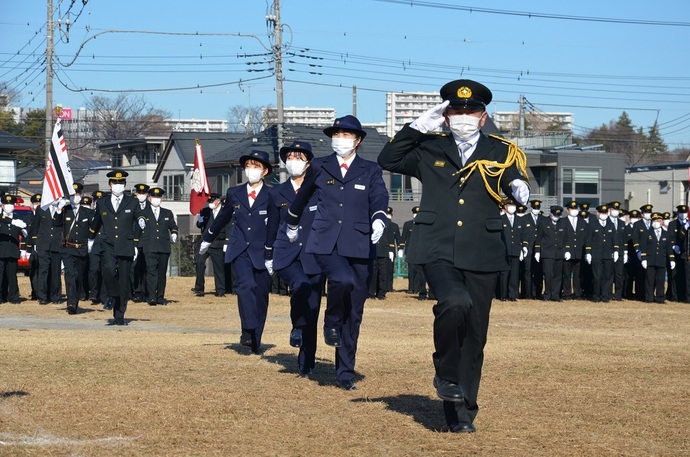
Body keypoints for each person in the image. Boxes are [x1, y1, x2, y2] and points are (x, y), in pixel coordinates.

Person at [378, 79, 529, 433]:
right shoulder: (429, 148)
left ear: (483, 116)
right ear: (446, 116)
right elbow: (389, 158)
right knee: (454, 302)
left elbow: (512, 176)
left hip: (483, 249)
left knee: (475, 336)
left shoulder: (500, 149)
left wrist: (518, 186)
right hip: (437, 247)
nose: (463, 116)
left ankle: (463, 411)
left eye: (470, 111)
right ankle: (446, 375)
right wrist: (416, 127)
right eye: (456, 111)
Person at [287, 115, 389, 390]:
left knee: (354, 311)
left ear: (357, 140)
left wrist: (379, 218)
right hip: (325, 242)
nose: (340, 139)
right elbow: (303, 195)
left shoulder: (370, 169)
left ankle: (345, 372)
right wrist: (292, 223)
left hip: (359, 242)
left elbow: (379, 197)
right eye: (336, 134)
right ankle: (330, 322)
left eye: (346, 135)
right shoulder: (320, 165)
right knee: (341, 279)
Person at [200, 150, 273, 355]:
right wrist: (208, 238)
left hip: (264, 251)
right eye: (248, 166)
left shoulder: (272, 194)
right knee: (245, 286)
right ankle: (247, 330)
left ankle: (256, 339)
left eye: (256, 166)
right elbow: (223, 217)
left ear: (265, 171)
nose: (251, 170)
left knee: (260, 296)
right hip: (240, 248)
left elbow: (280, 222)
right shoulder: (234, 192)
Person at [265, 140, 325, 376]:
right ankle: (296, 326)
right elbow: (272, 225)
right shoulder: (277, 192)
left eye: (299, 158)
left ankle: (307, 360)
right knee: (300, 285)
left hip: (314, 254)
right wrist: (268, 253)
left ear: (308, 162)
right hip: (286, 254)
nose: (294, 161)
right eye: (290, 157)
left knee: (313, 308)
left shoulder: (319, 190)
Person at [88, 169, 144, 326]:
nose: (118, 185)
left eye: (121, 183)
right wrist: (90, 239)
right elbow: (96, 221)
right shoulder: (103, 202)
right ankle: (111, 296)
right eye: (115, 183)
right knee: (108, 270)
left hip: (125, 244)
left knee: (124, 281)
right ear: (110, 185)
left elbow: (139, 214)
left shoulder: (132, 202)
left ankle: (119, 316)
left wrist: (141, 221)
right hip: (108, 244)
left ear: (125, 185)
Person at [52, 183, 93, 314]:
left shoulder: (88, 212)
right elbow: (55, 223)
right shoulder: (65, 210)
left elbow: (93, 228)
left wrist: (91, 241)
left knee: (79, 277)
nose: (76, 196)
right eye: (73, 194)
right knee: (70, 274)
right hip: (68, 248)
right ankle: (70, 302)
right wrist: (59, 208)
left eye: (78, 194)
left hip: (81, 249)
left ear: (81, 195)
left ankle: (74, 302)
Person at [139, 187, 178, 306]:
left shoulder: (167, 212)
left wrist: (174, 233)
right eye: (154, 197)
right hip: (149, 246)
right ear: (149, 198)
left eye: (159, 197)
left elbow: (173, 225)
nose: (157, 199)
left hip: (163, 246)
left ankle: (160, 296)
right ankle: (151, 296)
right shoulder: (143, 212)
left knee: (161, 273)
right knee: (151, 271)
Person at [28, 191, 64, 304]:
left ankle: (56, 296)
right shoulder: (41, 209)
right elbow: (35, 226)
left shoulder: (62, 210)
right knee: (43, 270)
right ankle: (42, 296)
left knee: (55, 271)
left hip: (56, 244)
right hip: (43, 244)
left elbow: (59, 224)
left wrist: (59, 210)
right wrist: (33, 243)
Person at [193, 193, 227, 297]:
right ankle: (199, 288)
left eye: (212, 201)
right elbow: (199, 225)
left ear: (218, 201)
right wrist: (200, 217)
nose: (210, 204)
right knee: (199, 263)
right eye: (209, 202)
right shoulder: (205, 211)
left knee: (219, 268)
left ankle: (220, 290)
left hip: (218, 242)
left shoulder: (225, 212)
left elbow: (227, 226)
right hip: (205, 243)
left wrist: (226, 241)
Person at [640, 212, 675, 303]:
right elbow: (643, 247)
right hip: (650, 260)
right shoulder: (647, 233)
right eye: (654, 220)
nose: (656, 222)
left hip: (661, 260)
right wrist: (643, 259)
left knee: (660, 280)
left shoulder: (666, 234)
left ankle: (660, 298)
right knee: (650, 281)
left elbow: (669, 248)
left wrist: (672, 260)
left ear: (662, 221)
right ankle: (649, 297)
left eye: (658, 220)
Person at [535, 206, 566, 302]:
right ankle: (547, 293)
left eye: (558, 215)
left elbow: (566, 238)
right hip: (547, 252)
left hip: (559, 252)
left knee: (558, 274)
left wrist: (567, 250)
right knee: (548, 274)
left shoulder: (562, 223)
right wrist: (537, 251)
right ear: (551, 213)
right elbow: (539, 238)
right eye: (555, 215)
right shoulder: (543, 223)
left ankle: (556, 295)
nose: (557, 217)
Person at [498, 199, 528, 301]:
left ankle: (513, 295)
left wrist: (523, 247)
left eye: (514, 205)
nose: (512, 207)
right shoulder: (501, 219)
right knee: (504, 274)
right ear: (505, 207)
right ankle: (503, 295)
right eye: (510, 205)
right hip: (504, 252)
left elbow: (523, 235)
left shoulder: (520, 220)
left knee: (514, 274)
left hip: (515, 250)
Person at [0, 195, 27, 303]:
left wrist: (24, 248)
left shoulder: (17, 218)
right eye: (6, 204)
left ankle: (13, 296)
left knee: (12, 276)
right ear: (2, 206)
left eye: (11, 204)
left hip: (13, 250)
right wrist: (12, 222)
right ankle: (1, 296)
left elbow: (25, 234)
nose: (9, 206)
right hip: (1, 250)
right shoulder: (2, 218)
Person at [131, 183, 150, 302]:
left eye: (144, 193)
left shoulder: (151, 206)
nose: (141, 195)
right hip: (135, 241)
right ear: (136, 193)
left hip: (148, 241)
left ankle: (147, 291)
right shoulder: (132, 205)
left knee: (148, 268)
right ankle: (137, 291)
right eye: (139, 193)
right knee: (135, 267)